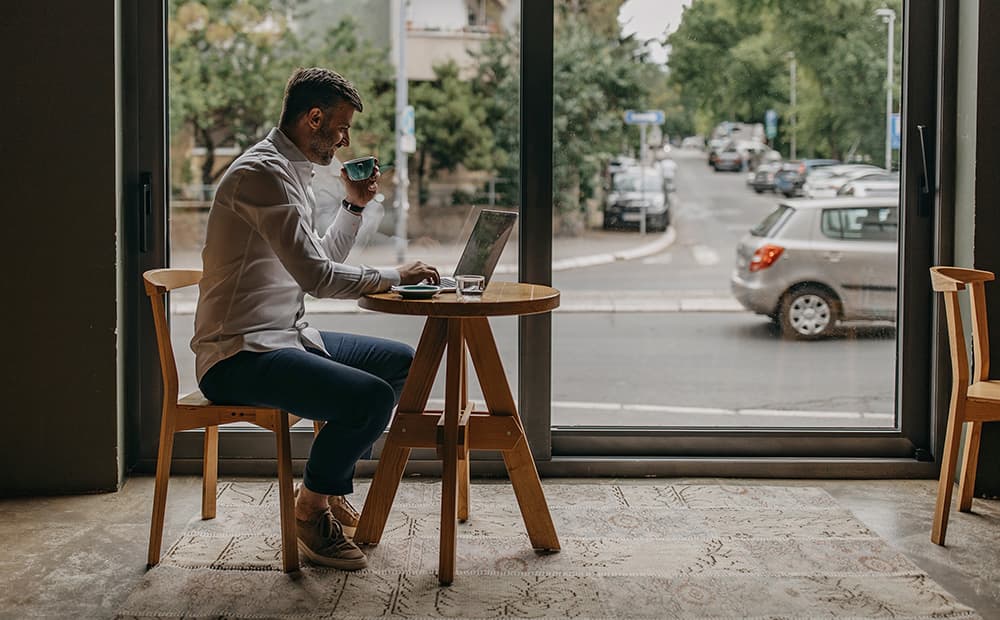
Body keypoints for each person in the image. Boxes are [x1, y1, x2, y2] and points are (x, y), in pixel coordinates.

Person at [191, 67, 440, 571]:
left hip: (286, 336)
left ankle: (323, 484)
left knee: (403, 364)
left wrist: (353, 206)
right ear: (314, 118)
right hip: (237, 354)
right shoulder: (262, 175)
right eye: (342, 127)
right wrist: (396, 275)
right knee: (369, 398)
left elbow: (318, 259)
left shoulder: (290, 172)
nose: (346, 140)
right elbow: (319, 278)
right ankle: (310, 509)